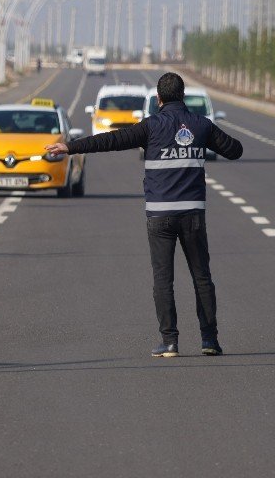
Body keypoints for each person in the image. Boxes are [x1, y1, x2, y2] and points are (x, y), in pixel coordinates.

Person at [45, 72, 243, 357]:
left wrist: (69, 147)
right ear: (183, 96)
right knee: (201, 277)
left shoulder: (150, 127)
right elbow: (234, 150)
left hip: (159, 216)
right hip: (193, 215)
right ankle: (209, 340)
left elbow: (111, 140)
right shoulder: (202, 125)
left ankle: (170, 342)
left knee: (164, 279)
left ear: (159, 99)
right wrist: (208, 137)